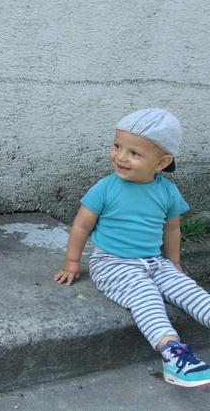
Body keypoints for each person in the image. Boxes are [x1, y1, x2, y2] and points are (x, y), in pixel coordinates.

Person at [54, 108, 210, 387]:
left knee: (191, 291)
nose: (121, 157)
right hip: (112, 264)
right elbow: (81, 226)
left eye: (134, 153)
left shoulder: (167, 191)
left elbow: (172, 229)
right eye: (117, 146)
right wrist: (72, 262)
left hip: (154, 262)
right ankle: (173, 355)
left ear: (161, 162)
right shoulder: (105, 187)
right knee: (146, 297)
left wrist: (174, 262)